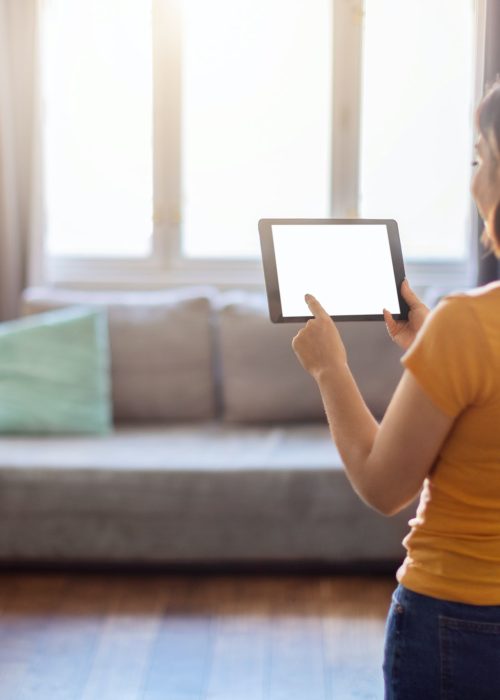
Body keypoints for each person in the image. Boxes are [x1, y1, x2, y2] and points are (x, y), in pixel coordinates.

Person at [291, 79, 500, 699]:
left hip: (458, 621)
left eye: (480, 159)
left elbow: (384, 486)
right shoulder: (462, 333)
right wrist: (436, 346)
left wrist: (330, 367)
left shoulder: (471, 325)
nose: (473, 180)